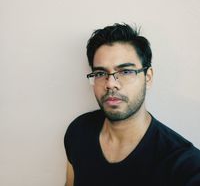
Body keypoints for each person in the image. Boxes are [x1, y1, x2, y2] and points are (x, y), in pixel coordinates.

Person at [64, 23, 200, 186]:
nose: (111, 84)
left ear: (147, 77)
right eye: (100, 73)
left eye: (126, 71)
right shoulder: (78, 131)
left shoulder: (185, 166)